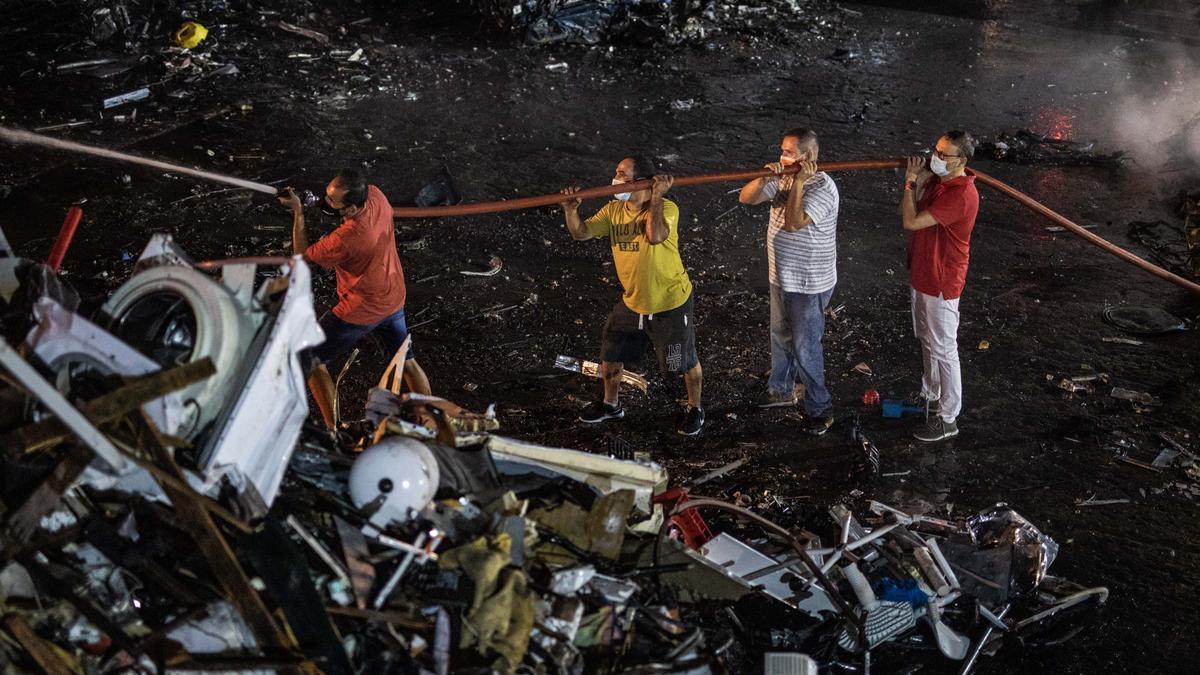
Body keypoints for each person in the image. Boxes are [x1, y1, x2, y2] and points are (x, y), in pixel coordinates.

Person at [559, 156, 705, 436]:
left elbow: (655, 235)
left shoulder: (668, 209)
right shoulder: (613, 210)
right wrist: (570, 211)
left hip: (669, 304)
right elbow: (582, 233)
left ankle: (695, 408)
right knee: (611, 354)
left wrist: (657, 196)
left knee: (681, 362)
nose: (615, 180)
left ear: (641, 182)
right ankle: (610, 404)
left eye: (621, 174)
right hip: (632, 302)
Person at [277, 168, 432, 431]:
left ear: (350, 209)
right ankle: (433, 418)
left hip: (360, 309)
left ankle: (333, 429)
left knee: (311, 357)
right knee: (407, 362)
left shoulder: (348, 238)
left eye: (332, 202)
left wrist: (298, 213)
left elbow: (301, 258)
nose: (327, 204)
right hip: (392, 295)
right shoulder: (376, 196)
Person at [738, 128, 840, 436]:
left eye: (789, 152)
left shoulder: (823, 187)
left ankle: (819, 407)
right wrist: (765, 177)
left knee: (806, 346)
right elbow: (747, 198)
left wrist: (797, 182)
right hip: (780, 275)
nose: (783, 156)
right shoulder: (782, 178)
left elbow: (794, 223)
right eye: (782, 149)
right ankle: (781, 390)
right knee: (780, 335)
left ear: (807, 157)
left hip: (809, 284)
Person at [899, 130, 980, 442]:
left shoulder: (960, 195)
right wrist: (918, 181)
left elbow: (912, 221)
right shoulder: (938, 181)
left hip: (942, 281)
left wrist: (909, 181)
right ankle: (931, 395)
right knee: (927, 341)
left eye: (943, 155)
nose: (936, 157)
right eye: (936, 150)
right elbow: (908, 210)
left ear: (961, 161)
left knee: (945, 348)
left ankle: (949, 418)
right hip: (922, 273)